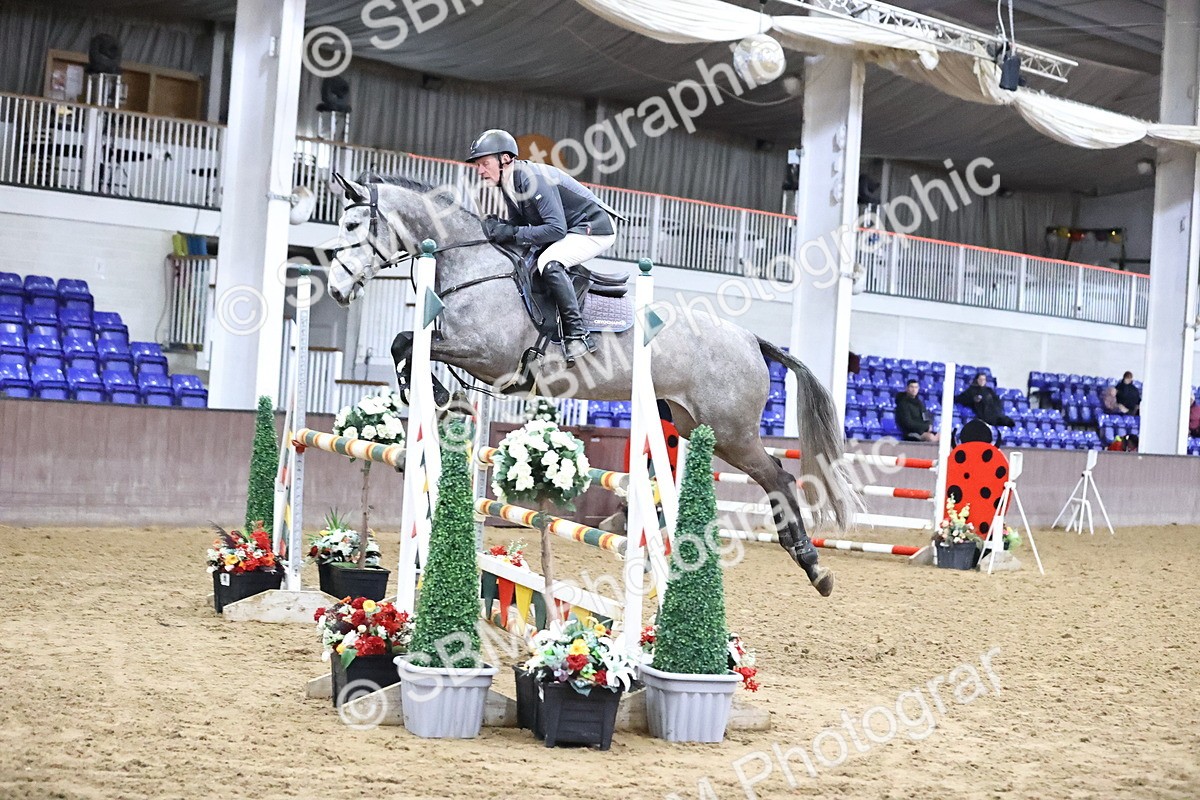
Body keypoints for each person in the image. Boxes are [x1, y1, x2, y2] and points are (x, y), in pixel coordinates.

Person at [465, 128, 621, 364]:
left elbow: (555, 229)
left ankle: (578, 335)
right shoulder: (508, 182)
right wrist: (502, 228)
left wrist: (512, 232)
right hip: (568, 229)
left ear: (505, 158)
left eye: (485, 163)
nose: (480, 170)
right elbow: (520, 225)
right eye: (478, 165)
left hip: (595, 228)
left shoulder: (531, 178)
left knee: (549, 263)